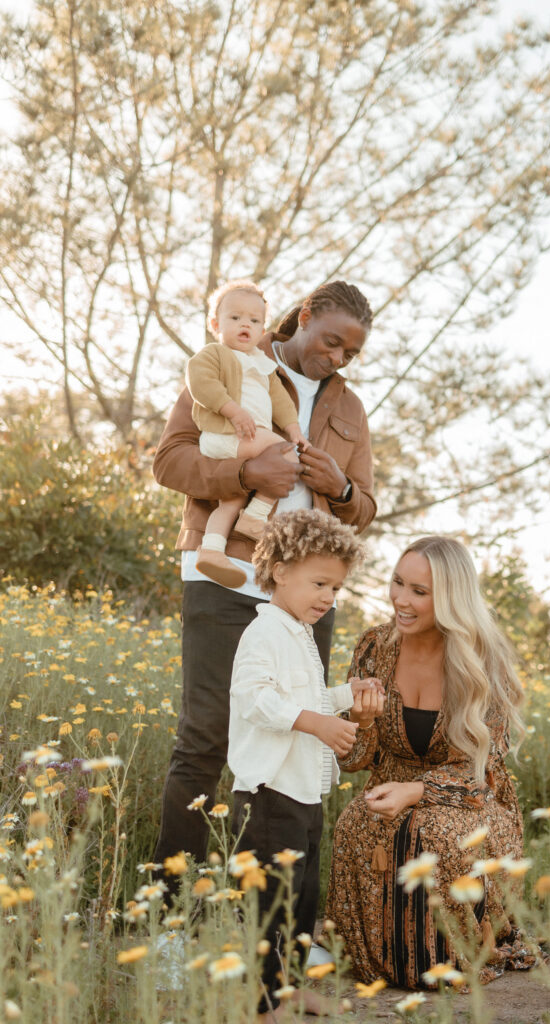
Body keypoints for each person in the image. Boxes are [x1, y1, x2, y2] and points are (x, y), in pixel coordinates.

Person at [152, 281, 375, 871]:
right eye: (330, 343)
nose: (337, 358)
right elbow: (170, 459)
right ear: (302, 317)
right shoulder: (229, 359)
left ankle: (280, 923)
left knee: (306, 732)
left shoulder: (349, 408)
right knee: (206, 736)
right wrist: (248, 473)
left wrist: (341, 487)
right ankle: (171, 909)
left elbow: (366, 506)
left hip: (305, 593)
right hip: (221, 569)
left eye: (350, 353)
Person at [325, 536, 538, 988]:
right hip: (391, 783)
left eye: (419, 592)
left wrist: (419, 791)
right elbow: (354, 761)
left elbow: (484, 768)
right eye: (397, 583)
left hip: (471, 798)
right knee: (356, 822)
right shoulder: (373, 647)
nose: (401, 599)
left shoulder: (484, 658)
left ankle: (451, 957)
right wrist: (361, 723)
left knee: (435, 831)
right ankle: (381, 960)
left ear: (450, 598)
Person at [229, 508, 380, 1021]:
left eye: (335, 590)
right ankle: (263, 1001)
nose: (328, 598)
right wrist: (316, 723)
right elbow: (254, 698)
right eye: (320, 584)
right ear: (280, 571)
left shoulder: (299, 634)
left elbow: (307, 695)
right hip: (269, 793)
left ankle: (289, 986)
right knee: (271, 901)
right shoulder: (265, 633)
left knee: (301, 898)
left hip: (303, 793)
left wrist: (343, 695)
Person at [186, 279, 309, 588]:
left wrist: (295, 430)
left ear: (263, 329)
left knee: (230, 501)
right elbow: (201, 383)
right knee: (284, 454)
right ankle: (256, 517)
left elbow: (280, 401)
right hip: (225, 433)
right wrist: (233, 410)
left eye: (254, 321)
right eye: (236, 317)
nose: (246, 325)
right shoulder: (214, 354)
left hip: (245, 442)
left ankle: (212, 551)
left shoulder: (263, 364)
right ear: (215, 323)